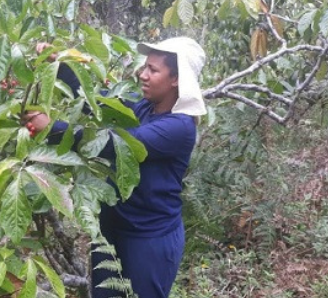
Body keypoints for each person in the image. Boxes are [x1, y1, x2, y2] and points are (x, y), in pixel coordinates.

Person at [24, 37, 207, 298]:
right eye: (145, 67)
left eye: (153, 70)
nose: (142, 74)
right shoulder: (143, 105)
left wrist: (53, 129)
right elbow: (98, 103)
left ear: (176, 79)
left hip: (149, 239)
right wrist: (62, 65)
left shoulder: (179, 127)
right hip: (112, 228)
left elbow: (114, 143)